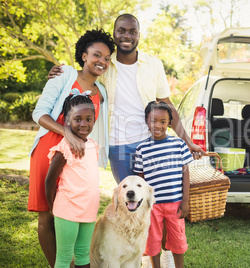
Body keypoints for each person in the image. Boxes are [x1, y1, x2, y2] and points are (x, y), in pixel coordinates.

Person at [48, 13, 206, 184]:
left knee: (154, 197)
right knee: (130, 197)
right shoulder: (104, 63)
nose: (127, 36)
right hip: (118, 147)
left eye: (132, 32)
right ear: (114, 34)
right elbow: (82, 77)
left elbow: (167, 104)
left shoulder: (153, 64)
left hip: (150, 143)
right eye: (121, 31)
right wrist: (60, 73)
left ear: (138, 35)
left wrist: (188, 141)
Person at [29, 29, 114, 267]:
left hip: (77, 159)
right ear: (84, 55)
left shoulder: (103, 92)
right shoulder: (65, 74)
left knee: (69, 211)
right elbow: (39, 114)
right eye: (97, 54)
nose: (102, 61)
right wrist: (67, 133)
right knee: (47, 214)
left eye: (107, 58)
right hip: (49, 148)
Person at [134, 101, 192, 268]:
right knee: (152, 240)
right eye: (153, 121)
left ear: (169, 123)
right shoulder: (142, 149)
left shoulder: (179, 145)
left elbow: (186, 173)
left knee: (178, 239)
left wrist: (186, 201)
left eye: (163, 122)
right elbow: (140, 180)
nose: (157, 125)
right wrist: (143, 205)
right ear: (146, 121)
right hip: (153, 205)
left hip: (175, 204)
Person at [45, 93, 100, 268]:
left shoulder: (92, 144)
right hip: (67, 210)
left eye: (88, 119)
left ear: (93, 120)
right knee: (64, 257)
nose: (84, 124)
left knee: (84, 254)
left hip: (89, 210)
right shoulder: (64, 147)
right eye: (78, 119)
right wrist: (52, 206)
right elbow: (49, 180)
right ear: (67, 121)